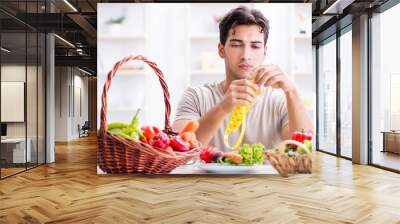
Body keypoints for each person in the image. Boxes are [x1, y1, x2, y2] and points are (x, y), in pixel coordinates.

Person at [173, 6, 313, 152]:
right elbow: (178, 150)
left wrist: (291, 92)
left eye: (255, 46)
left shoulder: (280, 99)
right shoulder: (195, 96)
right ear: (221, 50)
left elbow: (302, 149)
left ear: (264, 52)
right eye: (236, 44)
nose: (246, 55)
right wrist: (222, 107)